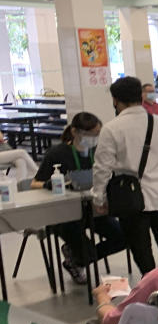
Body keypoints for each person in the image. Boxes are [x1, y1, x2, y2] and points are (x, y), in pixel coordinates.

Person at [93, 76, 158, 275]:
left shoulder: (111, 128)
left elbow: (102, 168)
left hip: (129, 199)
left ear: (115, 100)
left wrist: (99, 197)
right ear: (140, 96)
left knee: (141, 249)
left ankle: (152, 286)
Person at [32, 112, 125, 285]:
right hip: (64, 216)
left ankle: (75, 260)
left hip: (95, 210)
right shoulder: (57, 153)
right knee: (85, 250)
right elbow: (34, 183)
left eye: (97, 134)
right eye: (89, 135)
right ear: (75, 132)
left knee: (124, 237)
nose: (94, 139)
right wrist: (49, 184)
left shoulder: (98, 152)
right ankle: (80, 255)